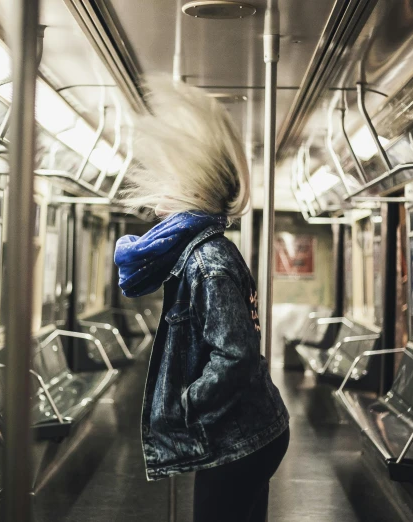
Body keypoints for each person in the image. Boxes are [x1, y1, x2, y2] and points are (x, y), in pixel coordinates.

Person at [114, 79, 290, 522]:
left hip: (237, 438)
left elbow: (235, 355)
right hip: (251, 431)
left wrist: (187, 403)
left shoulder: (205, 260)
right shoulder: (206, 250)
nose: (158, 199)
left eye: (170, 183)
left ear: (193, 189)